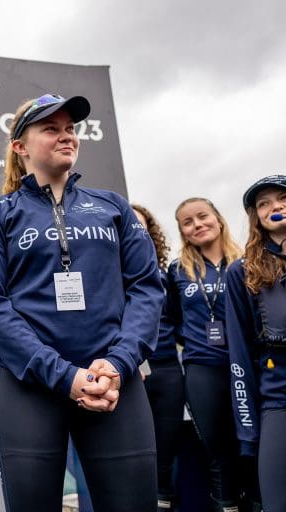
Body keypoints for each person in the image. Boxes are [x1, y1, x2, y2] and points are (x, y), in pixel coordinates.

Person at [0, 93, 163, 512]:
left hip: (113, 382)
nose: (66, 136)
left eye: (70, 129)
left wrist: (119, 362)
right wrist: (64, 375)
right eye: (51, 129)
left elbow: (147, 288)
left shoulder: (113, 206)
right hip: (31, 386)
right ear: (20, 146)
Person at [168, 197, 244, 511]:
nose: (197, 225)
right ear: (182, 232)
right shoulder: (177, 271)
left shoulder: (246, 262)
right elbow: (172, 319)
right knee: (217, 451)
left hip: (245, 366)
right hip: (202, 368)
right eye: (188, 222)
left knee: (251, 446)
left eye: (202, 216)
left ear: (218, 218)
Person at [226, 175, 286, 512]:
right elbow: (240, 351)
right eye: (264, 203)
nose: (275, 206)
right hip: (278, 395)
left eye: (282, 198)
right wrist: (247, 428)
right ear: (257, 217)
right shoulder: (242, 271)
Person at [133, 203, 185, 511]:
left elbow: (178, 322)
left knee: (165, 459)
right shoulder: (105, 272)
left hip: (168, 372)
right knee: (135, 460)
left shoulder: (165, 275)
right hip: (129, 373)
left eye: (141, 225)